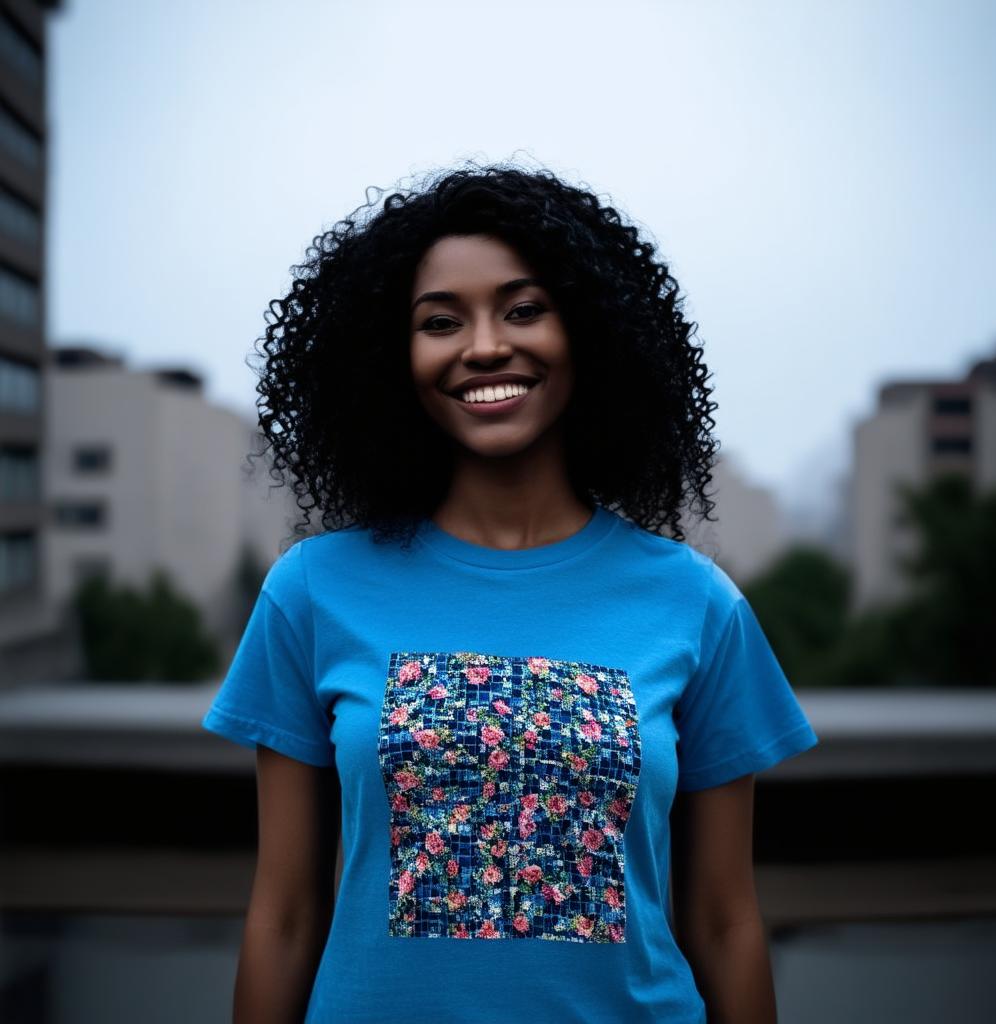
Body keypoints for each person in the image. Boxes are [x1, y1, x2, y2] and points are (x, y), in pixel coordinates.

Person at [201, 162, 819, 1024]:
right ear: (393, 358)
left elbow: (723, 922)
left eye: (524, 309)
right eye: (440, 322)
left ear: (592, 333)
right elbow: (284, 916)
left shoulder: (697, 604)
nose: (484, 345)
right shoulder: (312, 591)